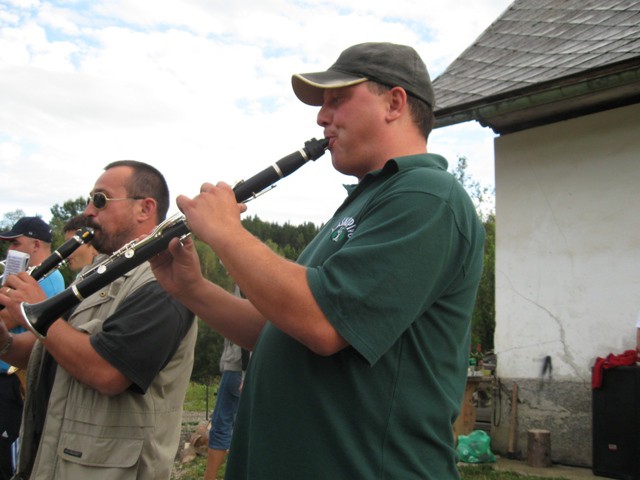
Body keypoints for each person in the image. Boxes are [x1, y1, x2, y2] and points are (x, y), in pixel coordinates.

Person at [151, 42, 486, 479]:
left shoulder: (427, 196)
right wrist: (192, 288)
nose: (321, 117)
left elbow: (322, 325)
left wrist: (228, 234)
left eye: (337, 99)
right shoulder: (366, 203)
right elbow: (280, 330)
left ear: (394, 102)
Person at [0, 160, 197, 480]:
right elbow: (49, 349)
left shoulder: (163, 280)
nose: (88, 211)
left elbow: (107, 372)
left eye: (101, 200)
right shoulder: (96, 272)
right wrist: (5, 342)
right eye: (90, 199)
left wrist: (37, 309)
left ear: (144, 209)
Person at [0, 217, 65, 480]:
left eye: (15, 243)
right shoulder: (24, 277)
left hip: (12, 379)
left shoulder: (46, 278)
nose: (9, 250)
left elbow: (9, 318)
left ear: (35, 244)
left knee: (7, 460)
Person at [204, 287, 248, 480]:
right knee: (242, 423)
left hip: (237, 368)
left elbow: (249, 325)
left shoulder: (246, 281)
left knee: (222, 422)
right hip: (240, 367)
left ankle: (210, 477)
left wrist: (247, 374)